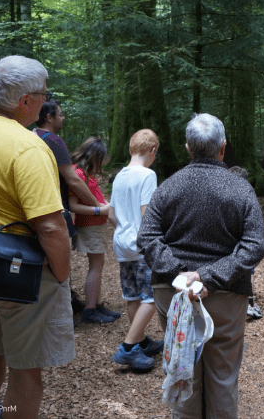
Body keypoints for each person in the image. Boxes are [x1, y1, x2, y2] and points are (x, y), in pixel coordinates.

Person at [138, 113, 264, 418]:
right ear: (223, 147)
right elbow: (254, 246)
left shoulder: (168, 187)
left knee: (185, 372)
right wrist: (206, 277)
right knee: (222, 376)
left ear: (188, 148)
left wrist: (181, 275)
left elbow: (146, 238)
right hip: (226, 294)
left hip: (174, 295)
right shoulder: (240, 189)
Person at [0, 55, 75, 419]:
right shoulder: (28, 147)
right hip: (19, 271)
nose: (45, 101)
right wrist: (63, 275)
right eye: (43, 95)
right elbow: (50, 226)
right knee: (26, 367)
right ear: (25, 101)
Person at [108, 129, 164, 369]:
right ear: (152, 151)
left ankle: (141, 341)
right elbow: (147, 215)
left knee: (132, 294)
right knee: (153, 296)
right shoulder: (148, 175)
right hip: (141, 245)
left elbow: (111, 214)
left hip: (122, 243)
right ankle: (129, 346)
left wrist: (125, 227)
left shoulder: (119, 175)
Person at [34, 99, 110, 236]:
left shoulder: (32, 136)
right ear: (49, 118)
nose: (63, 118)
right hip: (54, 209)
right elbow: (73, 180)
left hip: (34, 205)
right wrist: (98, 206)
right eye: (60, 114)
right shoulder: (54, 141)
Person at [69, 137, 120, 324]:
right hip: (89, 226)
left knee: (98, 265)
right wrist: (99, 210)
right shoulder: (78, 174)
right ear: (94, 156)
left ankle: (97, 305)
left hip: (96, 225)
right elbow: (73, 206)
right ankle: (90, 310)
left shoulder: (85, 173)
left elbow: (98, 199)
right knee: (96, 267)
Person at [229, 166, 263, 319]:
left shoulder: (224, 196)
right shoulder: (248, 198)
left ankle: (235, 303)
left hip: (228, 244)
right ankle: (249, 304)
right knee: (248, 271)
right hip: (243, 243)